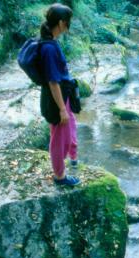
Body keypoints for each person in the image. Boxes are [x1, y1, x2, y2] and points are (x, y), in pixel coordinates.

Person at [39, 3, 80, 186]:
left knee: (69, 128)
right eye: (68, 21)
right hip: (56, 100)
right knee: (57, 138)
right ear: (62, 22)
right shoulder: (48, 48)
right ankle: (60, 177)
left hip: (62, 96)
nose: (68, 24)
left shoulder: (51, 42)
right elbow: (53, 81)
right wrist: (62, 109)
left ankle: (72, 156)